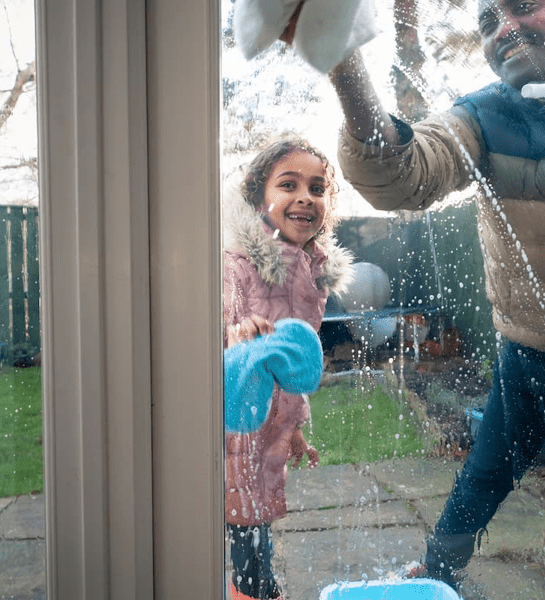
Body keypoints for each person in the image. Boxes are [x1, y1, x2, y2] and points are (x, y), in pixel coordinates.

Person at [289, 0, 545, 590]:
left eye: (524, 8)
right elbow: (403, 173)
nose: (506, 29)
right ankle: (438, 570)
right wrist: (343, 60)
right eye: (488, 22)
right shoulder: (485, 115)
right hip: (535, 349)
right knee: (483, 475)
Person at [223, 137, 354, 600]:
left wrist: (295, 426)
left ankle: (256, 590)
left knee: (253, 527)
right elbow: (220, 322)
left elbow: (295, 369)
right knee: (245, 531)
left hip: (268, 429)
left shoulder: (311, 277)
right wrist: (237, 331)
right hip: (233, 425)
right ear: (259, 196)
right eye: (288, 184)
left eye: (317, 188)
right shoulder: (235, 265)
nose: (305, 196)